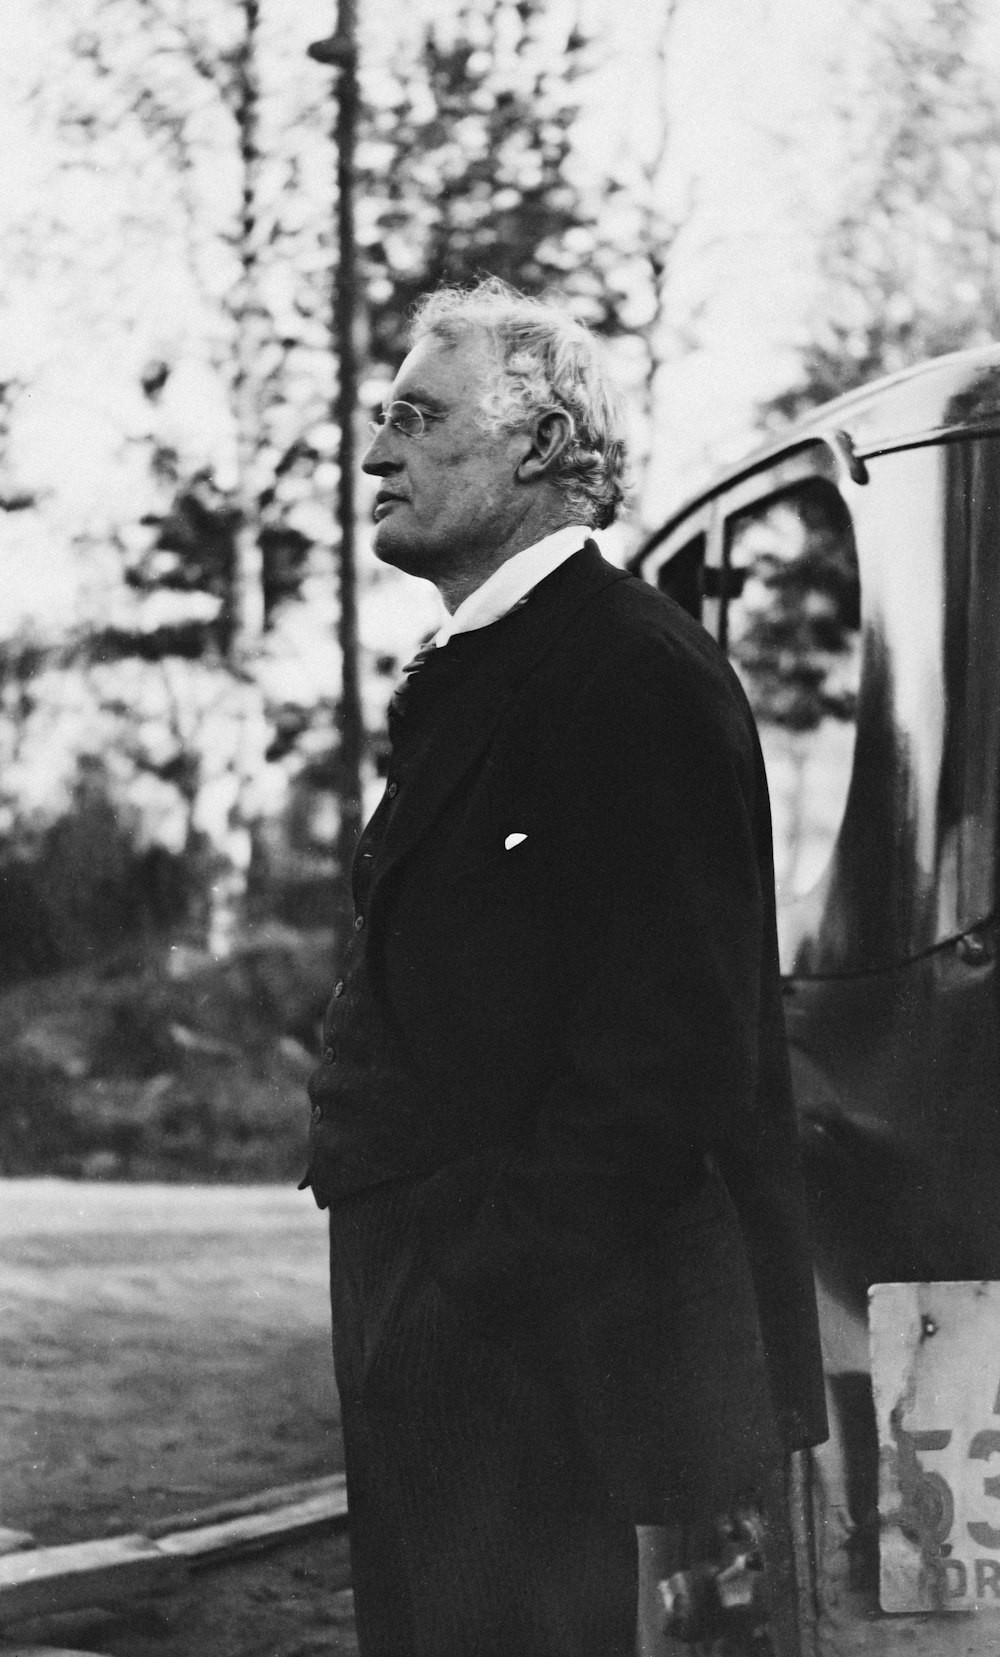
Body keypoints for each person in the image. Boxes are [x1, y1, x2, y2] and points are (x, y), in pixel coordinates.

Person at [299, 277, 827, 1657]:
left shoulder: (633, 674)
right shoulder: (498, 663)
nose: (374, 453)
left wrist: (472, 1276)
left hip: (533, 1352)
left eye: (416, 418)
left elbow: (672, 1058)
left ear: (536, 448)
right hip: (452, 1322)